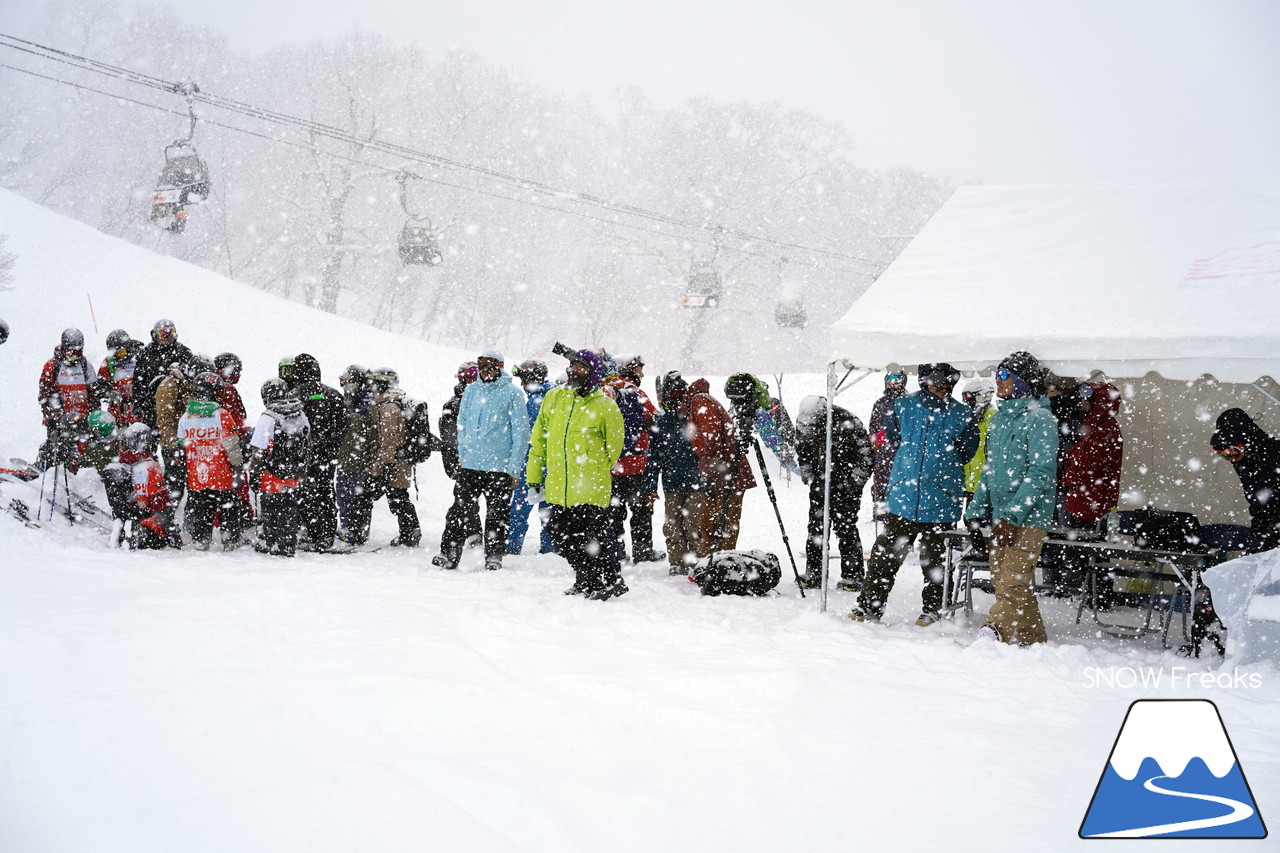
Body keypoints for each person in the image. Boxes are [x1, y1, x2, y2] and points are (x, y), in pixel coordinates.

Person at [852, 363, 978, 627]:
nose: (942, 389)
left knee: (936, 562)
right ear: (923, 382)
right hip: (904, 498)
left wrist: (940, 467)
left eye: (947, 384)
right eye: (937, 383)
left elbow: (967, 450)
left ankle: (933, 609)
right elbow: (895, 440)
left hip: (941, 501)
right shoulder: (902, 406)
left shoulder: (961, 413)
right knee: (884, 557)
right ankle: (869, 605)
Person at [966, 352, 1059, 645]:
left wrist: (1013, 516)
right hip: (1000, 516)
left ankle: (992, 632)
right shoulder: (999, 421)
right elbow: (989, 469)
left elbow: (1041, 472)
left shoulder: (1041, 420)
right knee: (1005, 582)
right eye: (998, 373)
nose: (998, 379)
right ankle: (1034, 639)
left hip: (1029, 518)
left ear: (1023, 381)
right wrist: (976, 510)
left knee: (1010, 582)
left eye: (1006, 375)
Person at [527, 346, 627, 600]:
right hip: (559, 486)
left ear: (593, 373)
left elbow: (614, 447)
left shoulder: (605, 405)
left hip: (591, 487)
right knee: (563, 538)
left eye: (582, 367)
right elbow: (539, 439)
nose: (575, 371)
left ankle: (609, 581)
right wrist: (535, 477)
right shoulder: (554, 398)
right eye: (573, 366)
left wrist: (592, 469)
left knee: (594, 540)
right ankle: (586, 579)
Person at [446, 350, 529, 570]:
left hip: (499, 467)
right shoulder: (471, 391)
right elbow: (461, 425)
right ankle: (450, 553)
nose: (485, 370)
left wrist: (513, 469)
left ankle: (494, 555)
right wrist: (462, 457)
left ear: (500, 367)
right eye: (481, 365)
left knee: (497, 513)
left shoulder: (513, 393)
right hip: (471, 464)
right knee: (460, 509)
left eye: (490, 366)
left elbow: (521, 433)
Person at [794, 395, 873, 592]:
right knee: (816, 528)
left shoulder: (848, 422)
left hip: (846, 483)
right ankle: (814, 573)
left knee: (845, 527)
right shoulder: (804, 421)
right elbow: (802, 448)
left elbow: (866, 457)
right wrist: (807, 471)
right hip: (820, 482)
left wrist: (853, 483)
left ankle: (853, 576)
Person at [178, 370, 249, 550]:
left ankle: (202, 541)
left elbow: (181, 446)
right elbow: (231, 445)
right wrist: (238, 464)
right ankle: (230, 540)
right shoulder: (222, 414)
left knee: (202, 509)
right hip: (221, 474)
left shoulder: (186, 417)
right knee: (228, 508)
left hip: (197, 476)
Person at [644, 371, 707, 574]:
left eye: (680, 398)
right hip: (672, 483)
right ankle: (677, 562)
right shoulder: (662, 424)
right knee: (673, 526)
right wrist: (650, 486)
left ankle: (697, 561)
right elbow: (653, 458)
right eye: (674, 399)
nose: (677, 404)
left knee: (694, 525)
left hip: (697, 482)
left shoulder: (695, 419)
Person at [684, 377, 755, 552]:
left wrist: (709, 471)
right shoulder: (702, 401)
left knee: (723, 523)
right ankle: (712, 562)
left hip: (726, 472)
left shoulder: (699, 402)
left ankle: (722, 564)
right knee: (714, 522)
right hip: (724, 470)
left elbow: (712, 438)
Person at [604, 353, 661, 563]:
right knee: (641, 512)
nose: (642, 374)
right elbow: (655, 422)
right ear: (629, 370)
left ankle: (616, 552)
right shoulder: (635, 393)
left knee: (613, 513)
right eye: (639, 369)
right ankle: (643, 551)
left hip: (611, 466)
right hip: (636, 465)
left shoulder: (606, 393)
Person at [247, 378, 312, 557]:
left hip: (272, 473)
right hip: (294, 472)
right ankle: (288, 543)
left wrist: (254, 474)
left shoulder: (268, 417)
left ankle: (271, 542)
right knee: (290, 507)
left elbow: (258, 450)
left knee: (270, 507)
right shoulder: (300, 414)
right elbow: (308, 442)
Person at [291, 353, 346, 551]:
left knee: (305, 494)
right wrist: (333, 447)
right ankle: (327, 534)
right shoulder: (333, 394)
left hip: (303, 457)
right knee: (325, 493)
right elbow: (343, 425)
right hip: (327, 456)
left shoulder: (294, 395)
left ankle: (313, 532)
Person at [1211, 408, 1280, 554]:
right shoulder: (1243, 462)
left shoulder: (1274, 454)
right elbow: (1257, 502)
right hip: (1268, 532)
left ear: (1247, 440)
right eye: (1224, 454)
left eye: (1234, 451)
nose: (1232, 458)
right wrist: (1258, 535)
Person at [433, 361, 482, 566]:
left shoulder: (484, 401)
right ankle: (462, 543)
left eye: (471, 378)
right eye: (466, 378)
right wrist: (454, 463)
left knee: (462, 506)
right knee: (462, 505)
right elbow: (449, 440)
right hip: (466, 463)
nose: (468, 382)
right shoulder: (453, 404)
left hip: (485, 462)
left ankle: (464, 542)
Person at [507, 359, 555, 556]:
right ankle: (551, 550)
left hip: (532, 465)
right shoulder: (553, 397)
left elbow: (527, 438)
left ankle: (511, 547)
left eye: (523, 379)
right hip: (552, 465)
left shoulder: (534, 403)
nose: (521, 384)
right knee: (549, 511)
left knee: (518, 509)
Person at [369, 367, 421, 547]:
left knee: (398, 498)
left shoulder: (389, 406)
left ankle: (410, 534)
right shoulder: (391, 403)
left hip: (395, 461)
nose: (372, 388)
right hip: (398, 460)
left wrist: (381, 467)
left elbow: (389, 439)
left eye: (374, 384)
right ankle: (409, 533)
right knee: (398, 498)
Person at [37, 327, 101, 471]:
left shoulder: (85, 366)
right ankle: (51, 470)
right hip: (60, 421)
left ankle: (80, 482)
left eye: (80, 351)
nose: (76, 355)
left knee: (82, 456)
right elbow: (44, 396)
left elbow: (94, 395)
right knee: (59, 454)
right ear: (64, 348)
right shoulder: (52, 366)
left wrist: (93, 416)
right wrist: (54, 418)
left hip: (82, 420)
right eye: (72, 352)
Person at [335, 365, 379, 547]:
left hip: (358, 462)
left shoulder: (367, 406)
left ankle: (355, 532)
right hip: (348, 459)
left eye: (348, 381)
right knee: (346, 496)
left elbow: (373, 437)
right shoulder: (352, 402)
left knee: (355, 498)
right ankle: (351, 529)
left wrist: (371, 461)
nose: (344, 385)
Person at [115, 423, 176, 549]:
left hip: (128, 519)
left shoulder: (120, 464)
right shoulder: (151, 466)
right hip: (149, 528)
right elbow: (160, 500)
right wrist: (170, 529)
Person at [960, 377, 998, 557]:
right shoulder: (971, 418)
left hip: (986, 487)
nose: (965, 402)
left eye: (968, 398)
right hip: (972, 485)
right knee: (972, 528)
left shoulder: (993, 419)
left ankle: (987, 567)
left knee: (984, 532)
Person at [133, 319, 193, 429]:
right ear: (154, 335)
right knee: (151, 436)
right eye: (162, 334)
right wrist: (138, 403)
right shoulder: (146, 353)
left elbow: (191, 376)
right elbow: (138, 380)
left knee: (177, 433)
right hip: (152, 404)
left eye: (169, 334)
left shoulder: (183, 352)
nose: (166, 338)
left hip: (177, 403)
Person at [868, 370, 908, 520]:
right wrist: (876, 440)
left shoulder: (908, 401)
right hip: (883, 451)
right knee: (881, 483)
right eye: (889, 380)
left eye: (896, 380)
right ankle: (881, 512)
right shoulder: (880, 403)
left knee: (902, 482)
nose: (892, 383)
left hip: (902, 451)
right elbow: (873, 427)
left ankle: (901, 512)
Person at [98, 329, 142, 427]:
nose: (120, 357)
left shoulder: (139, 358)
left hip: (138, 413)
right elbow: (100, 385)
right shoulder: (109, 363)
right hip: (118, 414)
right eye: (116, 353)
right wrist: (108, 393)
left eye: (122, 352)